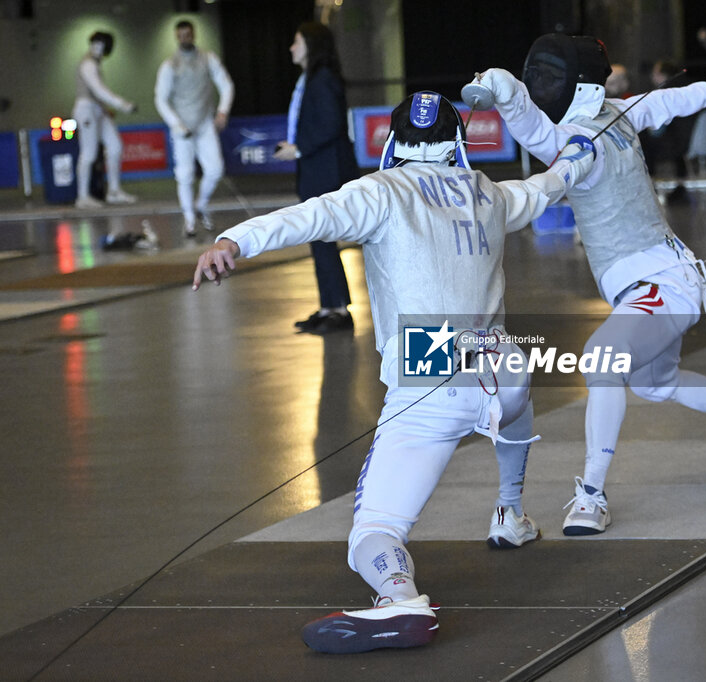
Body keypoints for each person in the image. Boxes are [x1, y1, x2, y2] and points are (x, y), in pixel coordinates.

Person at [193, 91, 596, 653]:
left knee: (372, 533)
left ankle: (400, 597)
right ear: (456, 140)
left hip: (430, 367)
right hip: (504, 367)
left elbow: (309, 215)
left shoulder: (379, 192)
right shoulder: (487, 191)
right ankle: (510, 511)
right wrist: (579, 154)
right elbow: (548, 186)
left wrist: (235, 239)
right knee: (514, 388)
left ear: (393, 142)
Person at [474, 34, 706, 537]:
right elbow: (664, 100)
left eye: (547, 79)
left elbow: (533, 128)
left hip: (661, 282)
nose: (542, 87)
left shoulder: (578, 139)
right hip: (667, 277)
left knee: (602, 358)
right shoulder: (617, 113)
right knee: (655, 383)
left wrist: (505, 91)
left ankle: (592, 495)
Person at [272, 22, 358, 334]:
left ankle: (338, 310)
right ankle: (330, 306)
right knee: (319, 239)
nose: (292, 48)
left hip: (325, 169)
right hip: (317, 166)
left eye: (296, 42)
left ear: (311, 44)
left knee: (322, 238)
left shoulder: (322, 80)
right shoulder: (312, 79)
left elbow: (331, 124)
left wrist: (298, 149)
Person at [155, 20, 234, 236]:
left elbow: (226, 84)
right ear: (176, 37)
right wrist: (176, 124)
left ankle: (201, 204)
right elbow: (160, 99)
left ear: (194, 34)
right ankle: (189, 220)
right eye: (181, 35)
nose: (185, 38)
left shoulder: (208, 58)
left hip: (205, 122)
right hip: (182, 128)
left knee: (216, 169)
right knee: (185, 174)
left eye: (188, 34)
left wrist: (222, 111)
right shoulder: (170, 65)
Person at [72, 31, 138, 210]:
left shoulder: (94, 63)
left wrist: (105, 108)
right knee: (89, 153)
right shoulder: (87, 64)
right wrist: (122, 104)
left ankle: (114, 191)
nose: (99, 48)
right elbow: (98, 89)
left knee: (115, 146)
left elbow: (98, 94)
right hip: (86, 110)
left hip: (98, 109)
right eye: (97, 44)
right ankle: (83, 196)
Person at [639, 59, 697, 203]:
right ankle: (678, 183)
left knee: (642, 137)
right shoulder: (691, 87)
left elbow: (658, 125)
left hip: (677, 143)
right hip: (697, 138)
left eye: (655, 74)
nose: (653, 78)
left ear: (663, 75)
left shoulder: (665, 93)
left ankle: (650, 181)